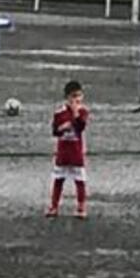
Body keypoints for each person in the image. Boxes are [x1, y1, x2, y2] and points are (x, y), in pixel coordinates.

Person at [47, 80, 90, 220]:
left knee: (80, 180)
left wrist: (76, 113)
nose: (76, 99)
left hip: (76, 153)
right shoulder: (60, 113)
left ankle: (81, 206)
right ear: (67, 97)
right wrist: (61, 128)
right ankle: (54, 206)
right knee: (58, 179)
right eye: (73, 96)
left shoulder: (83, 111)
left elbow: (81, 126)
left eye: (79, 96)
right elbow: (55, 131)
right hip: (63, 153)